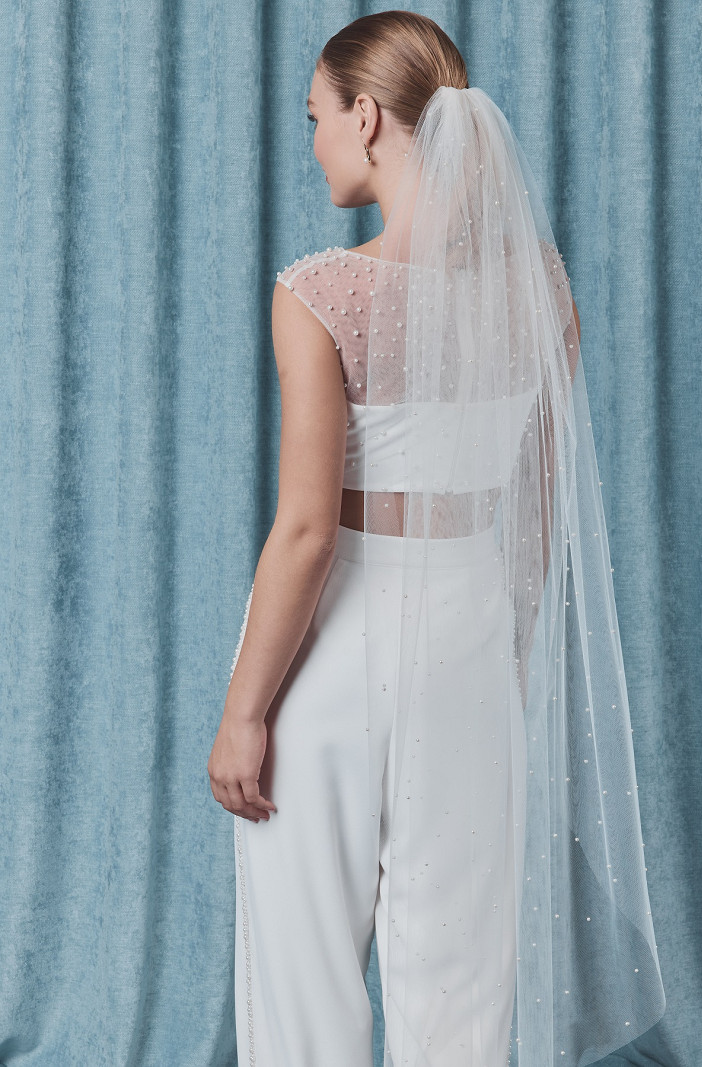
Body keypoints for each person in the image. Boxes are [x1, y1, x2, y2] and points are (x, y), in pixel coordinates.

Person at [207, 11, 666, 1067]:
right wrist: (505, 656)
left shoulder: (319, 293)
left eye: (317, 116)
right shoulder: (540, 288)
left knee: (303, 972)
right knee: (460, 982)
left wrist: (243, 712)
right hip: (471, 643)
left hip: (333, 650)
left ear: (367, 117)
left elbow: (307, 531)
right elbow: (536, 510)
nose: (313, 141)